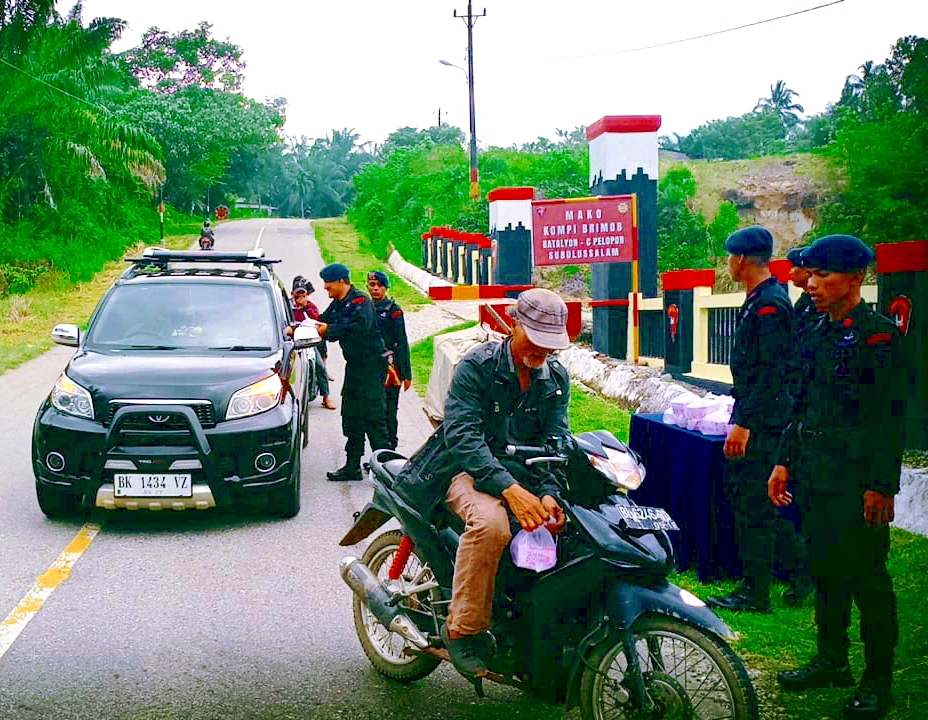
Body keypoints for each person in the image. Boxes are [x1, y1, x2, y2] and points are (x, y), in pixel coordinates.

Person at [393, 288, 571, 678]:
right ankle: (462, 629)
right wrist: (509, 488)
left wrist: (550, 493)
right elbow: (462, 436)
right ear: (514, 324)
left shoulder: (555, 378)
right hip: (463, 469)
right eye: (535, 338)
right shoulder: (477, 366)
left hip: (521, 478)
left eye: (550, 343)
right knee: (492, 527)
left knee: (571, 529)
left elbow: (556, 441)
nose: (541, 350)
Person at [769, 234, 906, 720]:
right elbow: (799, 403)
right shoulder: (815, 331)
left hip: (856, 478)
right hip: (815, 471)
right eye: (812, 275)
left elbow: (890, 420)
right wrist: (784, 461)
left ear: (856, 278)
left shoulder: (878, 336)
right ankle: (832, 660)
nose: (812, 284)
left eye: (824, 275)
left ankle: (877, 680)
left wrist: (881, 485)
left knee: (867, 578)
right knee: (825, 570)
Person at [707, 226, 794, 615]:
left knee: (753, 502)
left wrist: (744, 421)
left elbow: (772, 374)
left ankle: (756, 591)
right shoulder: (760, 299)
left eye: (730, 256)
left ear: (741, 259)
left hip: (764, 421)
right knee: (751, 499)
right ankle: (801, 570)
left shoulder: (770, 305)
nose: (729, 263)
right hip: (759, 414)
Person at [315, 263, 389, 481]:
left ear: (340, 281)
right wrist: (301, 327)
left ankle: (386, 469)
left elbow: (359, 328)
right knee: (351, 415)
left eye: (328, 283)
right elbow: (322, 320)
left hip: (372, 367)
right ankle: (352, 466)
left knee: (374, 418)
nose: (326, 288)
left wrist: (330, 330)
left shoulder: (361, 301)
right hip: (355, 367)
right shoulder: (338, 303)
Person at [367, 270, 411, 450]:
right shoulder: (366, 308)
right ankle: (378, 452)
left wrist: (406, 374)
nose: (375, 289)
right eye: (372, 285)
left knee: (389, 412)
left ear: (386, 287)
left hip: (391, 371)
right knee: (374, 414)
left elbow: (402, 342)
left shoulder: (394, 311)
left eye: (379, 285)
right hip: (371, 369)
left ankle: (390, 451)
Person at [290, 276, 335, 410]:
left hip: (307, 340)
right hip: (291, 341)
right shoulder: (286, 305)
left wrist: (305, 308)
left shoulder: (310, 306)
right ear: (292, 293)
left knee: (320, 366)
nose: (300, 297)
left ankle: (326, 397)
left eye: (303, 294)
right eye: (298, 294)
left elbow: (316, 319)